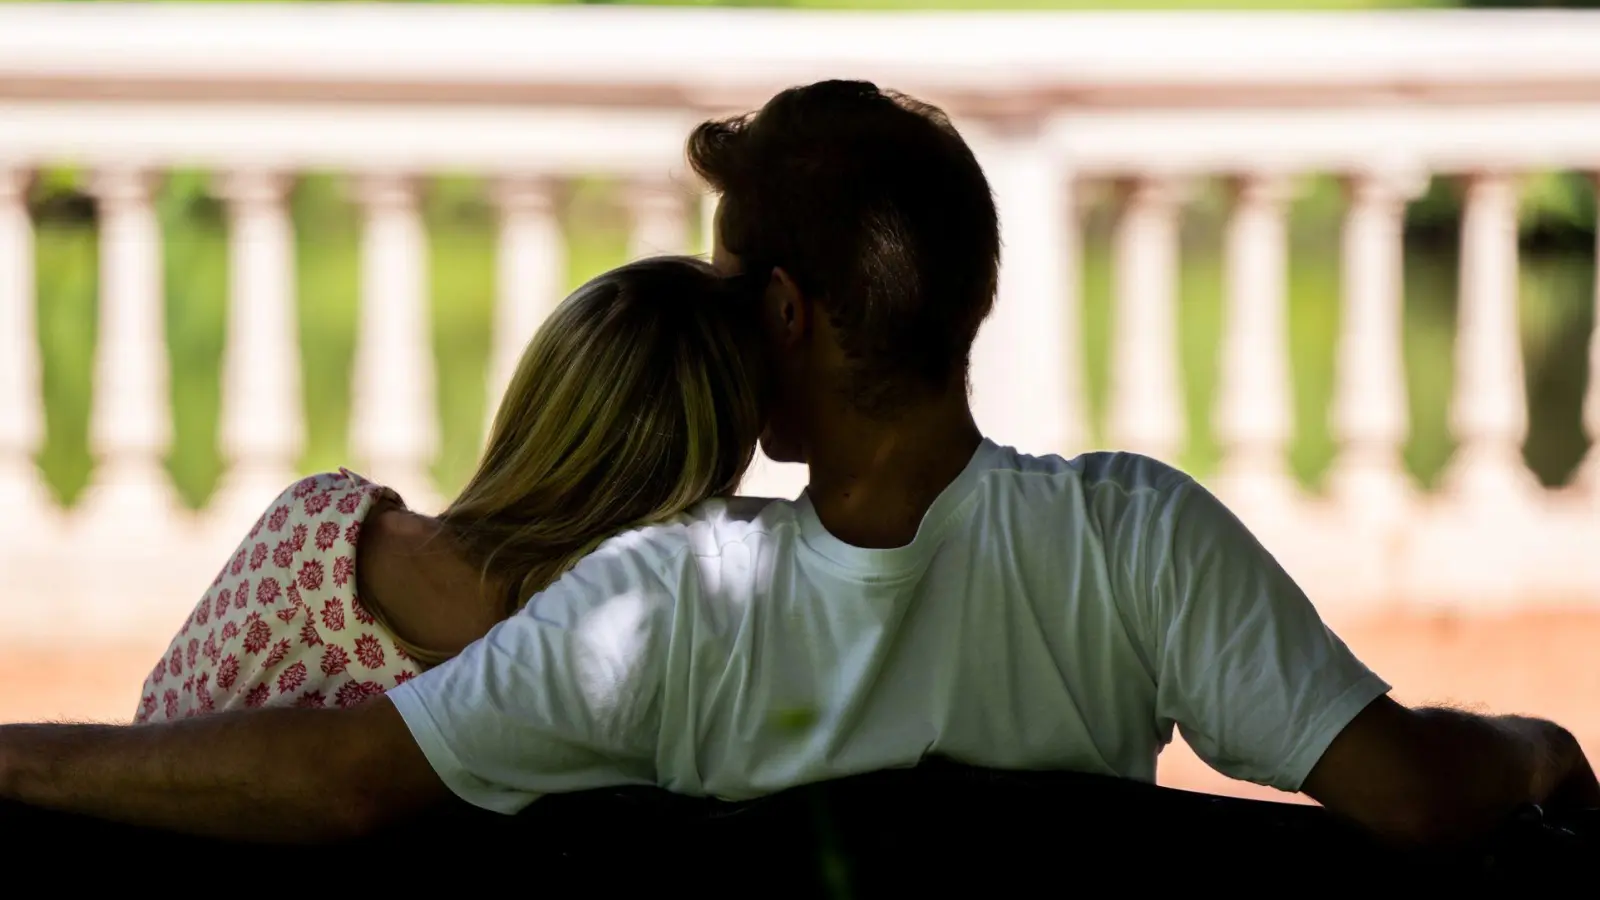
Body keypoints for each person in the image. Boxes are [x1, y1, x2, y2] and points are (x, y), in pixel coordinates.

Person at [0, 80, 1595, 849]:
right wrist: (1526, 746)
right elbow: (1407, 793)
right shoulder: (1138, 545)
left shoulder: (659, 611)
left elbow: (345, 774)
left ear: (783, 312)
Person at [134, 254, 768, 724]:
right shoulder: (634, 678)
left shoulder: (321, 539)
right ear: (711, 469)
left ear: (537, 400)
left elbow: (151, 740)